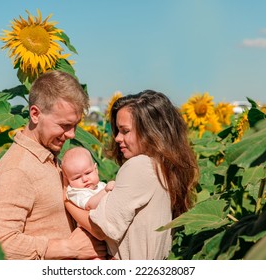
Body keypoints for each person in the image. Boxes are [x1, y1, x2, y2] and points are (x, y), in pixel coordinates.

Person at [0, 70, 106, 260]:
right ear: (35, 114)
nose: (72, 134)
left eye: (75, 125)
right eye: (64, 125)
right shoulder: (17, 170)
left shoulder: (48, 158)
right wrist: (69, 249)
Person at [65, 89, 199, 260]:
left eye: (125, 131)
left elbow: (101, 229)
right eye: (118, 131)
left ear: (150, 131)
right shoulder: (164, 168)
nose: (117, 138)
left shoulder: (140, 165)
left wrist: (67, 199)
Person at [61, 146, 115, 211]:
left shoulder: (101, 185)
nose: (85, 180)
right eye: (77, 177)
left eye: (88, 173)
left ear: (96, 169)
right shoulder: (75, 193)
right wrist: (105, 191)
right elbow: (90, 205)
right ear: (67, 179)